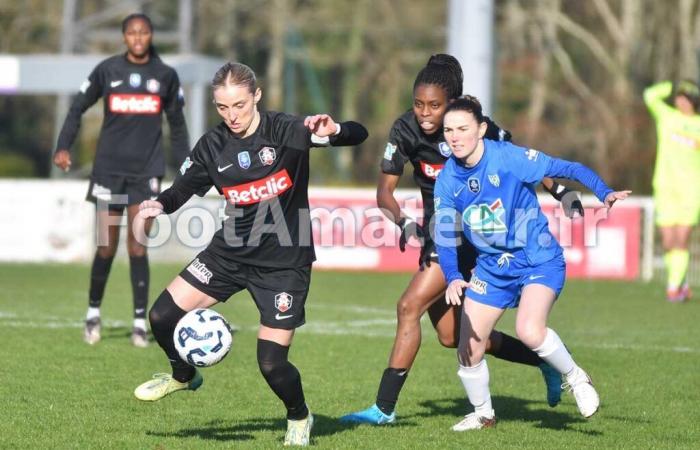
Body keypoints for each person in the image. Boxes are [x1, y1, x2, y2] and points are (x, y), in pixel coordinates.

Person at [131, 62, 368, 446]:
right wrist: (158, 205)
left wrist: (335, 130)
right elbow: (181, 189)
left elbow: (359, 134)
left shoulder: (288, 131)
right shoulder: (212, 145)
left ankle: (299, 416)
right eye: (222, 108)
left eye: (239, 105)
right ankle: (183, 375)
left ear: (256, 95)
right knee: (161, 317)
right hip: (229, 255)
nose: (232, 116)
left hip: (284, 264)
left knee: (271, 364)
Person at [340, 55, 583, 425]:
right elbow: (384, 194)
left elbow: (528, 164)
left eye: (434, 105)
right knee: (455, 338)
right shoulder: (405, 130)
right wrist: (405, 223)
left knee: (408, 306)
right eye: (418, 104)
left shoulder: (478, 129)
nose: (424, 113)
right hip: (440, 233)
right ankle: (541, 360)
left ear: (453, 103)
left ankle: (383, 408)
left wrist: (562, 191)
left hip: (478, 240)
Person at [434, 95, 630, 430]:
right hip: (492, 269)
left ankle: (576, 378)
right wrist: (453, 275)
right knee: (468, 350)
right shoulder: (448, 179)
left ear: (481, 129)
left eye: (462, 128)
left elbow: (567, 168)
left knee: (528, 330)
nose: (454, 136)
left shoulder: (509, 158)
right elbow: (444, 234)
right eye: (449, 130)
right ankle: (483, 415)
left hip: (537, 259)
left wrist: (603, 191)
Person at [53, 13, 190, 347]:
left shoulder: (165, 76)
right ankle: (92, 314)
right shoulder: (108, 70)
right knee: (105, 246)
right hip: (108, 172)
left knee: (137, 246)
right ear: (124, 37)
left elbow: (178, 124)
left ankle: (139, 323)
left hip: (147, 174)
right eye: (132, 33)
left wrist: (188, 163)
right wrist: (63, 146)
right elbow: (77, 107)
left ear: (151, 35)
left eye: (143, 32)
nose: (138, 38)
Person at [644, 80, 700, 302]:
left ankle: (673, 288)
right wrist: (669, 85)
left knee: (681, 238)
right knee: (668, 242)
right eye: (678, 96)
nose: (679, 100)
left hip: (691, 189)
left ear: (693, 101)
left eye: (684, 97)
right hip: (665, 187)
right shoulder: (667, 117)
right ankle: (681, 282)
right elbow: (650, 95)